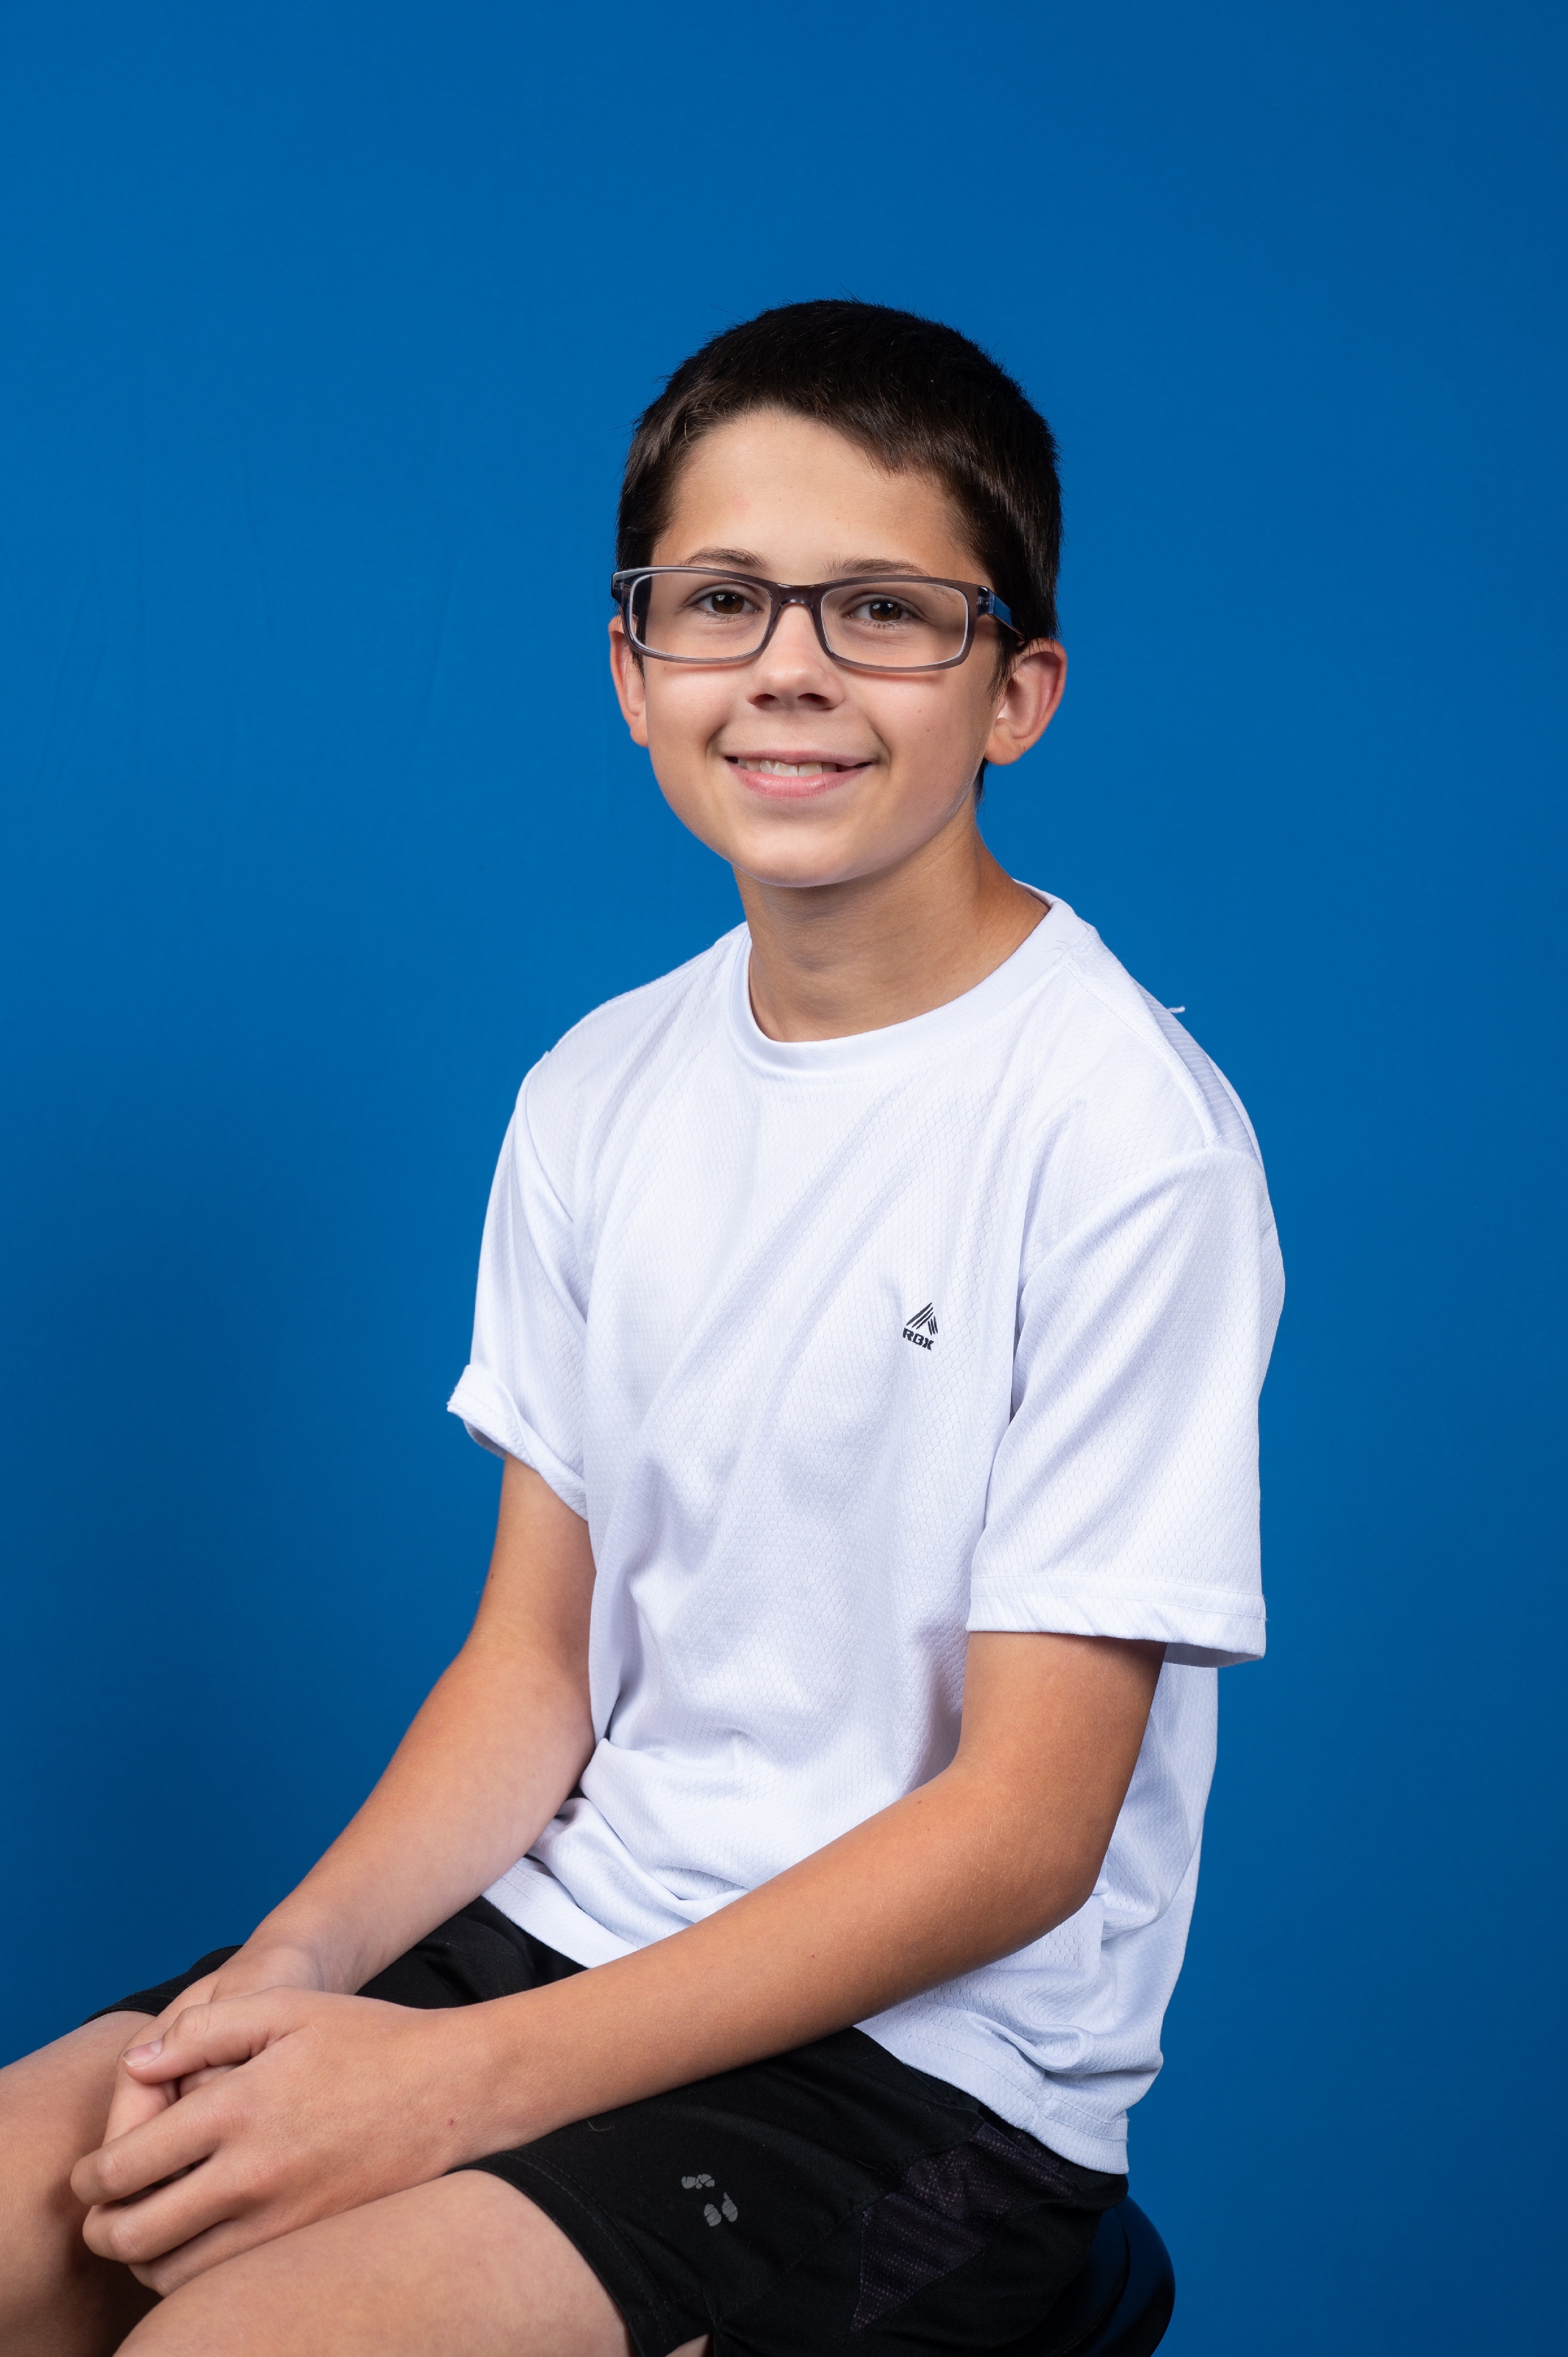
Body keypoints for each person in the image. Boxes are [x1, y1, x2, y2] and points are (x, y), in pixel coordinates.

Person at [0, 300, 1283, 2357]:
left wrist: (448, 2088)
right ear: (634, 664)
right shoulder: (596, 1087)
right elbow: (536, 1665)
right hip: (567, 1932)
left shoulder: (1125, 1136)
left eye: (883, 610)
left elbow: (1025, 1830)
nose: (791, 665)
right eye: (723, 599)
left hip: (931, 2078)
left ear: (1016, 691)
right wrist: (299, 1968)